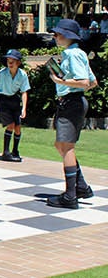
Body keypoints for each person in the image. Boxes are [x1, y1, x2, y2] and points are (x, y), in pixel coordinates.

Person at [45, 19, 96, 209]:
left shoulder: (72, 55)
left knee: (66, 148)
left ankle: (70, 196)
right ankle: (80, 186)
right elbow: (93, 82)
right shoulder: (78, 54)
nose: (55, 37)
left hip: (71, 103)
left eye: (57, 34)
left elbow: (83, 82)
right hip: (73, 102)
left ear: (67, 36)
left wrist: (61, 81)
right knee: (61, 145)